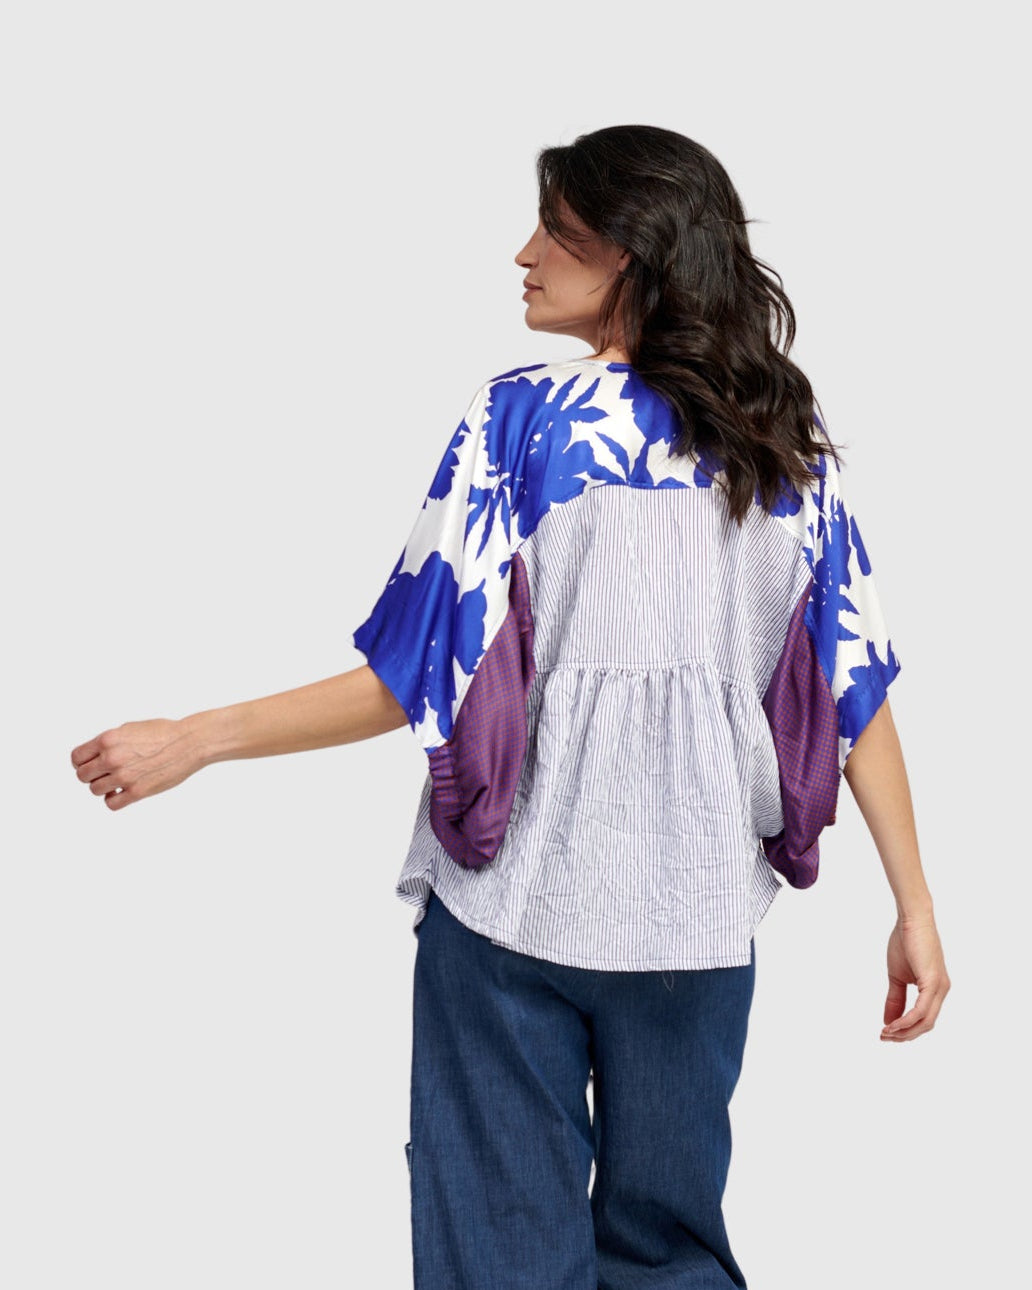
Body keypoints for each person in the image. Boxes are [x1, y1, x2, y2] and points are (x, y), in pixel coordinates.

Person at [70, 124, 950, 1289]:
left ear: (632, 252)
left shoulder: (524, 420)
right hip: (694, 924)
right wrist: (915, 908)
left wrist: (197, 738)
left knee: (498, 1248)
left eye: (557, 230)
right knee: (672, 1252)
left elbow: (413, 673)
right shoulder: (782, 444)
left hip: (511, 911)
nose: (523, 253)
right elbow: (854, 686)